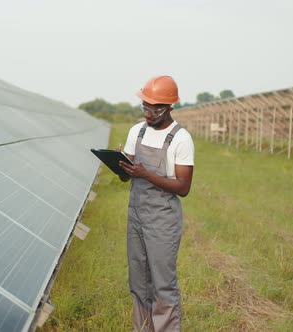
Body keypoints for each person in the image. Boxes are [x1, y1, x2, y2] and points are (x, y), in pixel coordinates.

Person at [117, 75, 194, 332]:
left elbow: (183, 187)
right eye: (145, 107)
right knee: (139, 283)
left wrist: (145, 174)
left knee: (162, 285)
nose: (149, 113)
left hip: (162, 221)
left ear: (170, 107)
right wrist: (119, 166)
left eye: (156, 108)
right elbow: (126, 174)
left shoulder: (180, 139)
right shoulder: (136, 131)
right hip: (137, 216)